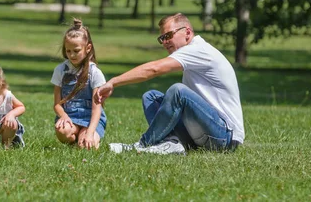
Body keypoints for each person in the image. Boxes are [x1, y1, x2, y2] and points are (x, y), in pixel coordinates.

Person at [97, 13, 244, 155]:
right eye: (161, 38)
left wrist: (113, 82)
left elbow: (154, 69)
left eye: (168, 35)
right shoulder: (193, 50)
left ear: (187, 32)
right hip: (205, 131)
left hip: (225, 137)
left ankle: (143, 144)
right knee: (151, 97)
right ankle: (173, 143)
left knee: (178, 91)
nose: (165, 42)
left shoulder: (199, 50)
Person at [52, 19, 107, 150]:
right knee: (62, 131)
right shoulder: (60, 70)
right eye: (68, 51)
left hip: (91, 119)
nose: (71, 55)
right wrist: (64, 116)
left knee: (88, 146)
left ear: (88, 48)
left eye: (76, 51)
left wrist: (90, 132)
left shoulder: (95, 73)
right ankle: (75, 140)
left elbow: (96, 109)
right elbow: (57, 104)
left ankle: (86, 138)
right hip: (70, 116)